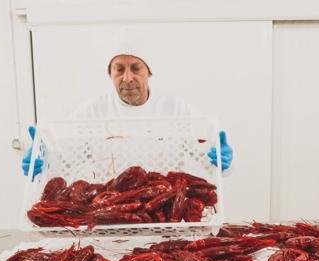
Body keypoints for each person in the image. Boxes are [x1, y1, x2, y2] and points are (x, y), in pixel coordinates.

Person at [22, 52, 233, 177]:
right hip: (108, 220)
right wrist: (43, 159)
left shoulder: (175, 109)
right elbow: (64, 157)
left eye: (135, 68)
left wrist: (219, 159)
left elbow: (207, 159)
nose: (127, 78)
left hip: (165, 223)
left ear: (148, 72)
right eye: (119, 69)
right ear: (110, 73)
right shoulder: (93, 111)